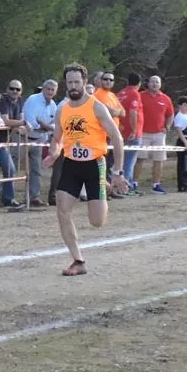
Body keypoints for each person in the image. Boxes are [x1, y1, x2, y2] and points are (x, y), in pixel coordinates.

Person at [43, 64, 128, 277]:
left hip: (94, 164)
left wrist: (117, 171)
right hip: (71, 164)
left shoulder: (96, 107)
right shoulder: (62, 109)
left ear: (84, 82)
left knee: (97, 222)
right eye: (69, 82)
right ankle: (78, 260)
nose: (73, 86)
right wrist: (54, 153)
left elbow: (117, 138)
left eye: (76, 82)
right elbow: (57, 138)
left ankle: (103, 186)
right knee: (62, 209)